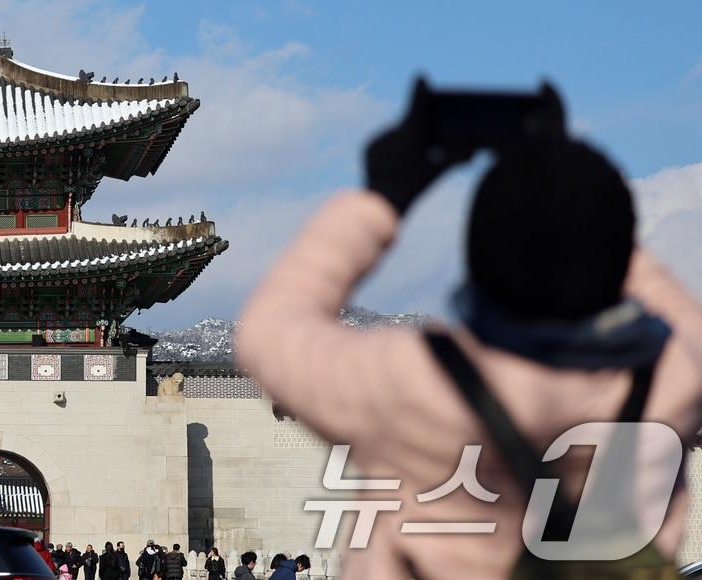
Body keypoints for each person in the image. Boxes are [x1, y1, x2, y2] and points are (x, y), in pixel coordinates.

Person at [238, 81, 702, 578]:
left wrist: (384, 196)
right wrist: (569, 194)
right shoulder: (675, 372)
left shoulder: (413, 381)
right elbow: (645, 285)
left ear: (476, 261)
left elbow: (269, 331)